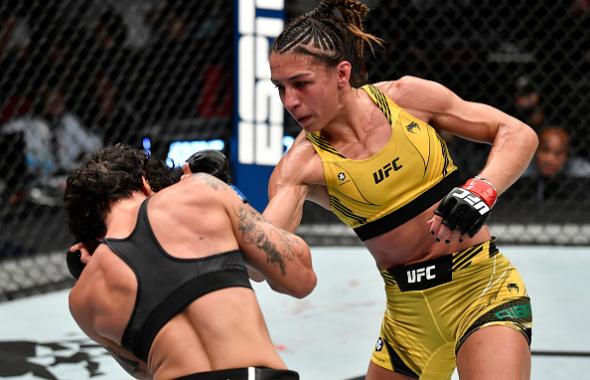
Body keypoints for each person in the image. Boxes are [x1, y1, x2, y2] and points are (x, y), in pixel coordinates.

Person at [265, 1, 538, 379]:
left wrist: (482, 189)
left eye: (301, 84)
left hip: (481, 290)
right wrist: (221, 206)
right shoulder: (300, 166)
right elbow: (266, 251)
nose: (290, 101)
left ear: (341, 73)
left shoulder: (407, 99)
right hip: (407, 322)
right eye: (280, 88)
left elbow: (517, 133)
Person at [64, 144, 316, 379]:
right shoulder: (198, 191)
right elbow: (301, 278)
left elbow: (144, 372)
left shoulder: (82, 300)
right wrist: (231, 201)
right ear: (145, 184)